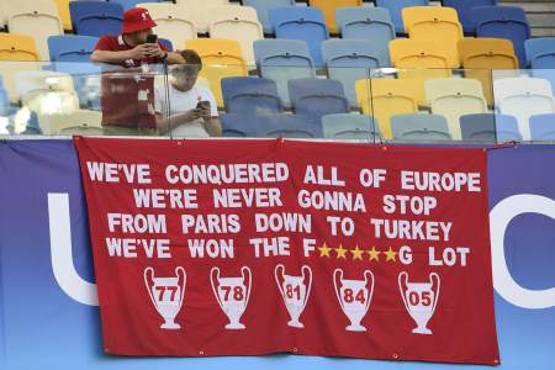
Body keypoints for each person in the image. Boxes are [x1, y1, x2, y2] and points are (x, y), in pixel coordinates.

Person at [154, 49, 222, 137]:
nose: (189, 83)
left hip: (202, 142)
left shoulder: (205, 92)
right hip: (172, 143)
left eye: (193, 79)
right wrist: (185, 117)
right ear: (175, 72)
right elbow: (155, 130)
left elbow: (217, 135)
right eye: (186, 79)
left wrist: (208, 119)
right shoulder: (160, 92)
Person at [91, 7, 181, 68]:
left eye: (150, 27)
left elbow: (181, 60)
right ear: (132, 31)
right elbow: (95, 56)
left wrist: (162, 54)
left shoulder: (151, 44)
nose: (150, 31)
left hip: (147, 95)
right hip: (117, 95)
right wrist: (131, 54)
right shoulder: (110, 41)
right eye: (145, 28)